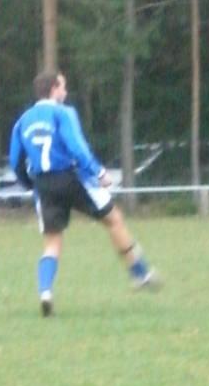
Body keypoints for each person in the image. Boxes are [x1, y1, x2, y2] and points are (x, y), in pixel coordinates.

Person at [9, 71, 160, 317]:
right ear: (53, 89)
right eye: (63, 87)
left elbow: (16, 161)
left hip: (43, 184)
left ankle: (45, 292)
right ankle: (139, 273)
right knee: (114, 219)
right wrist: (98, 172)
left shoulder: (22, 121)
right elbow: (77, 147)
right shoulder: (63, 113)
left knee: (52, 243)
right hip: (72, 178)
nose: (65, 92)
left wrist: (29, 184)